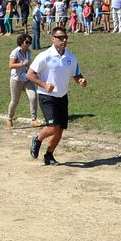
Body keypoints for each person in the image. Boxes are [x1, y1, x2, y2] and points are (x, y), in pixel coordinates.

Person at [26, 26, 86, 167]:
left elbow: (76, 74)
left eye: (65, 37)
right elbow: (30, 74)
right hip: (47, 96)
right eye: (60, 37)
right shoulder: (44, 56)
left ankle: (49, 155)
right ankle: (38, 139)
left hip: (62, 96)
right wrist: (44, 84)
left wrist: (81, 80)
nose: (63, 40)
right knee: (53, 126)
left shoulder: (71, 57)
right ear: (53, 39)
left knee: (60, 129)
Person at [7, 32, 39, 129]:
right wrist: (22, 64)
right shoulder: (15, 52)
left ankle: (33, 119)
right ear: (21, 42)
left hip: (26, 78)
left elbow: (29, 65)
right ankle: (9, 119)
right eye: (27, 42)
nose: (29, 44)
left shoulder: (28, 52)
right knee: (15, 101)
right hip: (16, 79)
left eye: (30, 42)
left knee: (33, 97)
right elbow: (11, 65)